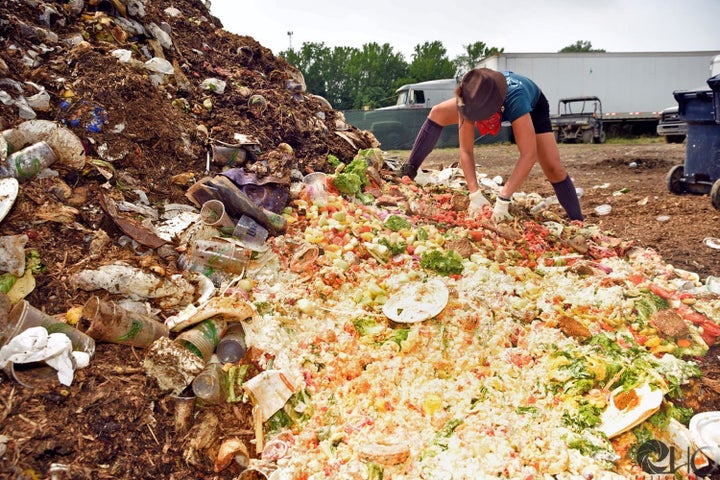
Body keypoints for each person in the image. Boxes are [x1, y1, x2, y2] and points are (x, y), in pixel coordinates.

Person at [400, 68, 584, 222]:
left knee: (553, 168)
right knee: (438, 112)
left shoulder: (516, 99)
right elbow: (466, 150)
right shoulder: (468, 100)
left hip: (533, 105)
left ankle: (578, 222)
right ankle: (410, 168)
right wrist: (474, 194)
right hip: (485, 102)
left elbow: (529, 154)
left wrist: (504, 197)